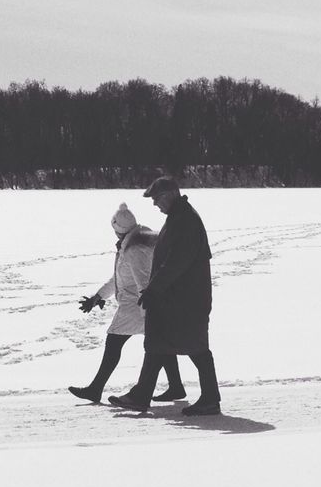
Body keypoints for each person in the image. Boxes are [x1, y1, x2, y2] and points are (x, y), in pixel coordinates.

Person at [109, 177, 221, 417]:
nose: (155, 204)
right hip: (177, 297)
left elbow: (176, 262)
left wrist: (153, 289)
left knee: (196, 348)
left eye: (157, 198)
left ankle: (210, 398)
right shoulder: (178, 218)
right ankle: (142, 394)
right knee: (158, 342)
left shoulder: (186, 221)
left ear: (171, 194)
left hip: (187, 300)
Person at [69, 204, 185, 404]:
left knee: (114, 343)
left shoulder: (133, 249)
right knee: (160, 345)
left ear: (118, 229)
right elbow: (120, 277)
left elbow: (143, 283)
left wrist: (149, 314)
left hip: (137, 306)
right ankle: (176, 386)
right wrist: (98, 297)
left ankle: (95, 389)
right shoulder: (138, 239)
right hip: (145, 305)